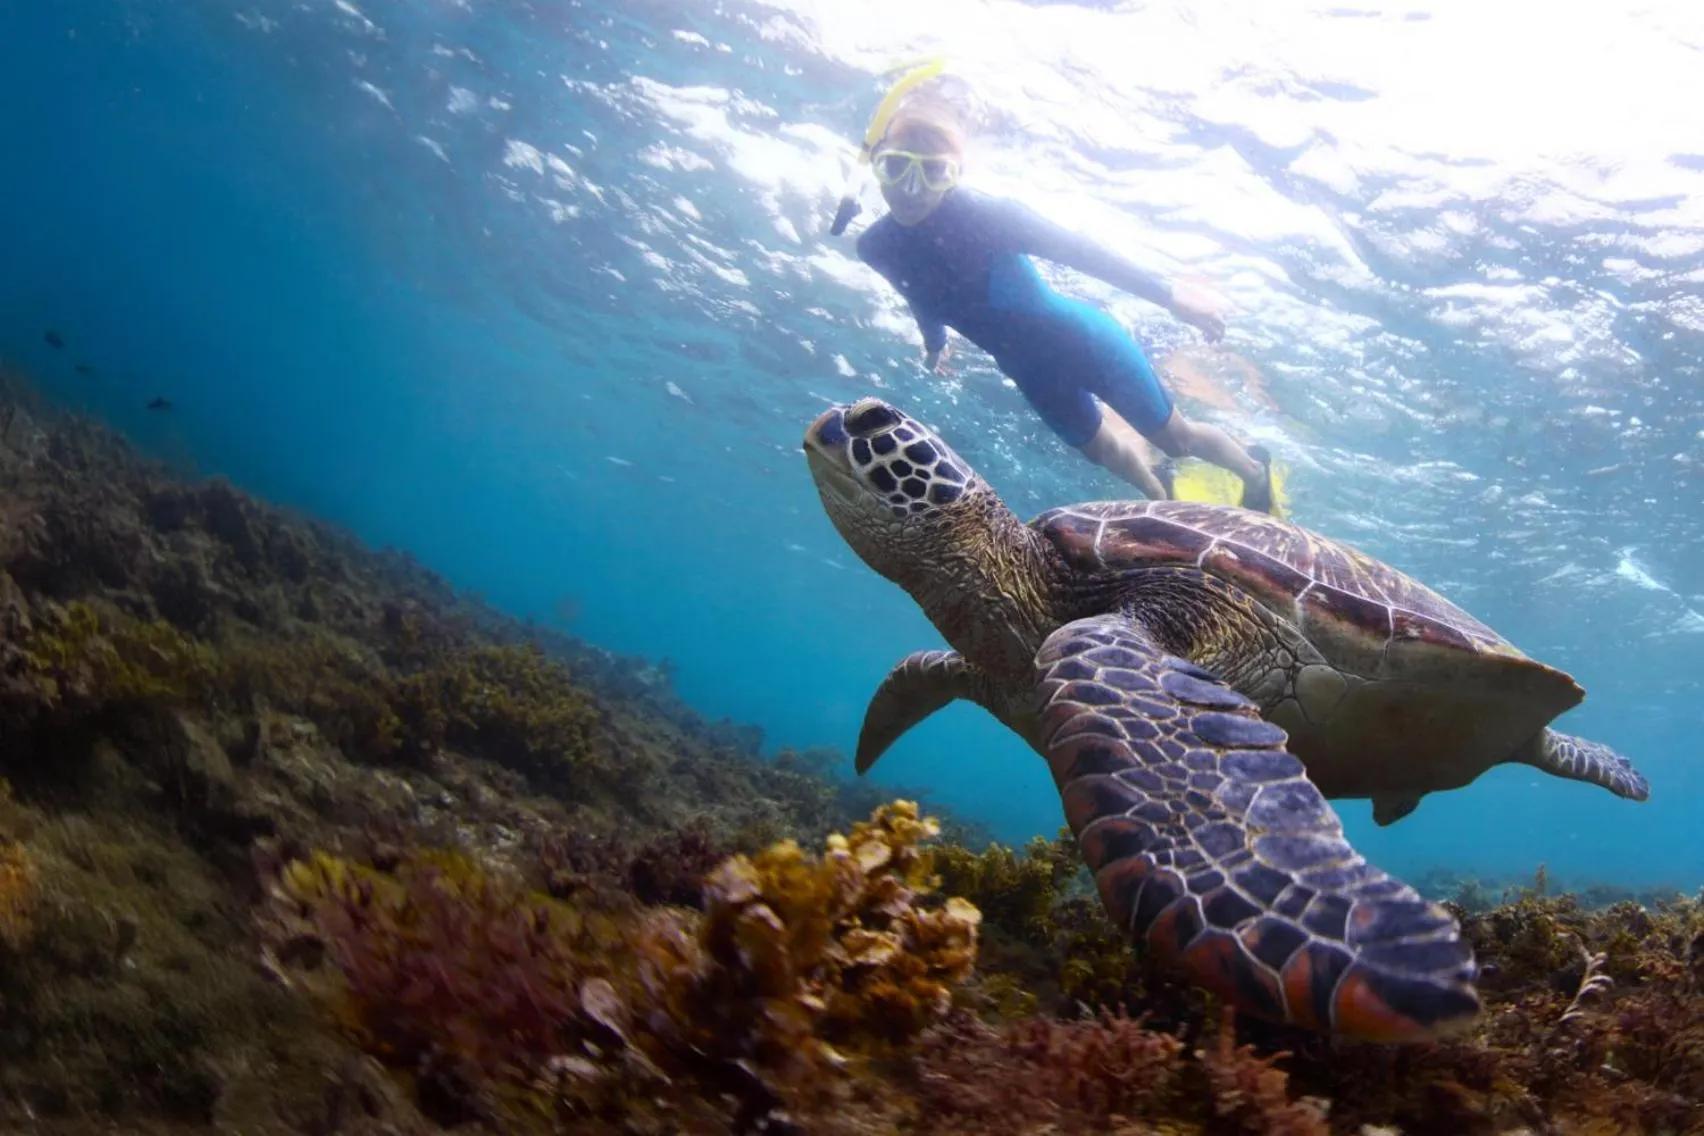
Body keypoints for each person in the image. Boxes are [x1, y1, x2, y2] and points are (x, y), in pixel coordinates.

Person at [851, 92, 1275, 512]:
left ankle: (1255, 472)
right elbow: (917, 292)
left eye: (933, 173)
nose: (912, 189)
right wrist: (934, 344)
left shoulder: (990, 216)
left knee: (1177, 441)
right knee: (1105, 452)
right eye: (896, 167)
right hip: (1029, 371)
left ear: (955, 175)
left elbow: (1083, 252)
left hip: (1088, 343)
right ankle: (1163, 504)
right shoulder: (876, 247)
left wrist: (1169, 296)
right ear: (876, 163)